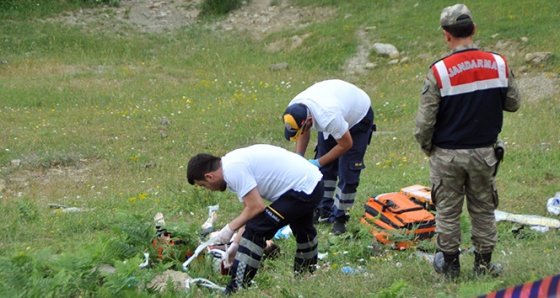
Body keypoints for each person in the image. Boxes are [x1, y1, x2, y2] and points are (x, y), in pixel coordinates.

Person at [414, 4, 520, 279]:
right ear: (474, 29)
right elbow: (513, 103)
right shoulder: (498, 63)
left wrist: (428, 148)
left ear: (446, 35)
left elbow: (425, 122)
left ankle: (450, 267)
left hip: (447, 155)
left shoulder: (439, 71)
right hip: (485, 153)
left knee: (447, 212)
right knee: (483, 210)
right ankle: (483, 266)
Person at [186, 144, 324, 294]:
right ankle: (305, 274)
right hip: (311, 182)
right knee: (302, 228)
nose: (209, 190)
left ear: (209, 177)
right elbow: (251, 213)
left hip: (304, 187)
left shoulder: (233, 170)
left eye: (204, 185)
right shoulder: (230, 165)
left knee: (255, 230)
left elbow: (257, 207)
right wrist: (235, 245)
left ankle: (236, 287)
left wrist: (229, 228)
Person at [282, 79, 375, 235]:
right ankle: (323, 210)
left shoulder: (328, 117)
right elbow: (303, 131)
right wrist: (299, 157)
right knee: (325, 170)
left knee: (348, 171)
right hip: (336, 107)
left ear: (310, 120)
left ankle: (340, 218)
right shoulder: (295, 108)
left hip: (358, 118)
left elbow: (346, 144)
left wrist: (317, 162)